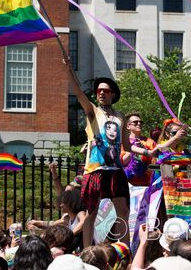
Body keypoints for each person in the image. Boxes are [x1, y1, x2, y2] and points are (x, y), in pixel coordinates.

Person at [66, 57, 142, 247]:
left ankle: (125, 253)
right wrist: (69, 70)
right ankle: (87, 253)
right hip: (95, 170)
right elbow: (78, 93)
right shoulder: (92, 111)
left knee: (123, 212)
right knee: (91, 214)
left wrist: (150, 151)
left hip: (115, 171)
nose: (101, 93)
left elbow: (127, 145)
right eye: (99, 90)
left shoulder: (120, 116)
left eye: (105, 91)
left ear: (113, 94)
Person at [121, 113, 158, 186]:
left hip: (146, 184)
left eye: (141, 122)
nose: (139, 123)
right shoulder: (122, 142)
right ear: (128, 126)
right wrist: (134, 148)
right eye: (135, 122)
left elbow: (155, 162)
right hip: (126, 183)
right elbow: (123, 162)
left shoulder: (150, 142)